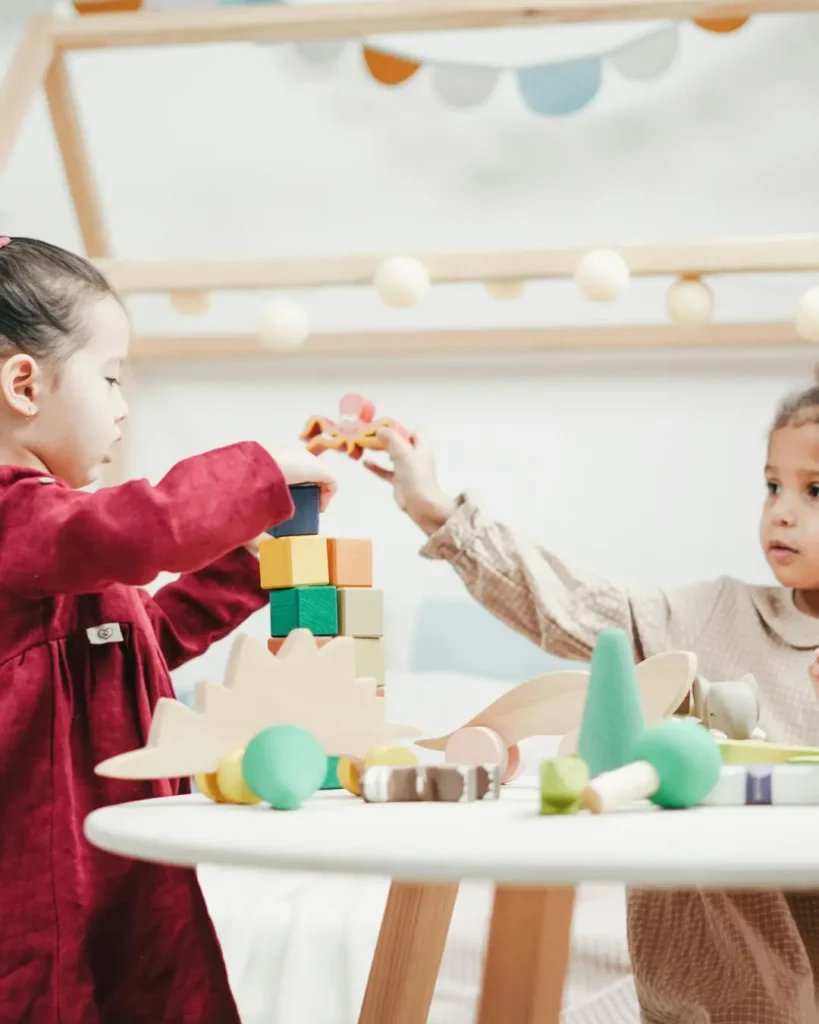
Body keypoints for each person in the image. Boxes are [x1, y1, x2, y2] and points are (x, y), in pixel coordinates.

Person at [367, 388, 819, 1024]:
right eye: (773, 486)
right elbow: (570, 603)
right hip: (723, 988)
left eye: (814, 491)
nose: (782, 513)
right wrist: (432, 508)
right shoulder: (713, 615)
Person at [0, 236, 337, 1024]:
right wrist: (259, 475)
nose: (122, 406)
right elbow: (137, 531)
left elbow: (130, 638)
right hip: (35, 881)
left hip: (121, 861)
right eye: (111, 378)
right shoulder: (23, 520)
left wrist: (246, 567)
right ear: (23, 383)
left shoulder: (58, 546)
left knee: (162, 991)